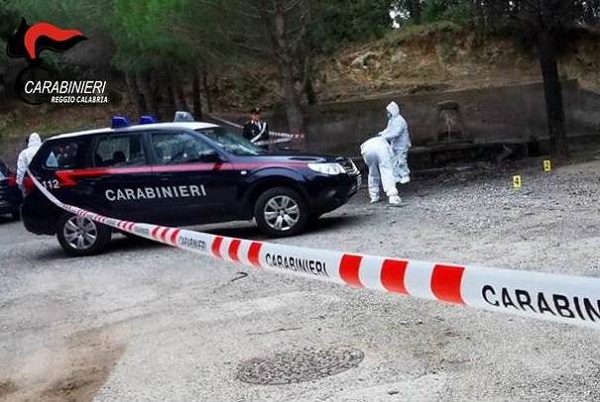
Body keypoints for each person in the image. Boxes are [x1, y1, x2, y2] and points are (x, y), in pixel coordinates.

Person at [360, 136, 401, 205]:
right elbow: (391, 164)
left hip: (366, 148)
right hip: (380, 148)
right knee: (386, 170)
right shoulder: (387, 145)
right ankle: (393, 196)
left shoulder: (381, 139)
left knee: (373, 172)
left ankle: (374, 196)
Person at [378, 101, 411, 184]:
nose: (387, 114)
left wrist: (385, 137)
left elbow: (396, 133)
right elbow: (388, 129)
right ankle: (396, 176)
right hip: (395, 144)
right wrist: (382, 133)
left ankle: (405, 175)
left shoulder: (400, 121)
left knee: (401, 160)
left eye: (388, 112)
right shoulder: (392, 120)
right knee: (393, 160)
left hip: (402, 144)